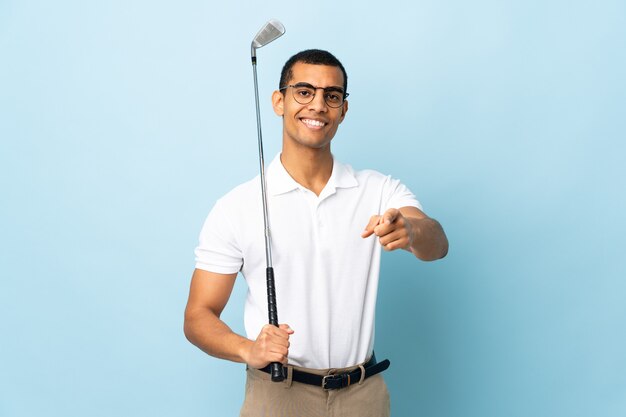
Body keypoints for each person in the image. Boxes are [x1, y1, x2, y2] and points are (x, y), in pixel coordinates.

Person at [184, 49, 448, 417]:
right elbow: (198, 315)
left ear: (343, 110)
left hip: (363, 395)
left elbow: (437, 243)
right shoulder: (237, 206)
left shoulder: (378, 190)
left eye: (332, 95)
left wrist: (411, 230)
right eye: (304, 92)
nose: (318, 105)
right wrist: (248, 350)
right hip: (277, 394)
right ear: (279, 101)